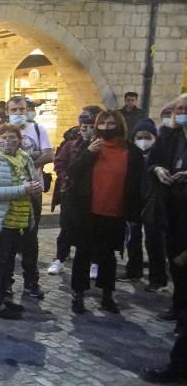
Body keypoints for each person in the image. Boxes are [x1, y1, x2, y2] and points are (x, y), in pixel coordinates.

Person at [65, 110, 143, 314]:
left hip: (115, 212)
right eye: (103, 123)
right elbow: (73, 171)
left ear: (119, 125)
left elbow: (137, 182)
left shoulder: (131, 151)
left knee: (108, 256)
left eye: (111, 124)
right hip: (87, 211)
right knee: (82, 254)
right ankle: (78, 294)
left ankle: (107, 295)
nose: (106, 128)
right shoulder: (91, 147)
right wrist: (89, 152)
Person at [0, 124, 42, 320]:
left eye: (12, 137)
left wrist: (35, 187)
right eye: (3, 137)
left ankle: (4, 300)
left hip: (18, 219)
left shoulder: (24, 157)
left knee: (7, 262)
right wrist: (22, 190)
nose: (8, 141)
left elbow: (31, 179)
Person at [0, 96, 53, 299]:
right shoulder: (0, 131)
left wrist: (25, 157)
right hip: (10, 192)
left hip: (33, 193)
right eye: (14, 109)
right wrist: (31, 156)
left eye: (21, 109)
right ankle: (7, 281)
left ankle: (31, 282)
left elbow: (49, 155)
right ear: (7, 111)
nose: (18, 113)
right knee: (8, 240)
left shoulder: (38, 130)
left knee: (30, 240)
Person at [48, 108, 101, 277]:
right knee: (66, 228)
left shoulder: (100, 146)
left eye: (91, 127)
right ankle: (60, 259)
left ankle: (94, 261)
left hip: (93, 194)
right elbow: (60, 164)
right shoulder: (70, 146)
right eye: (83, 127)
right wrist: (65, 178)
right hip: (71, 194)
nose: (86, 131)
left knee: (93, 230)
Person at [149, 94, 187, 327]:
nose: (181, 112)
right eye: (178, 109)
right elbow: (153, 162)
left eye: (185, 108)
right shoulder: (172, 137)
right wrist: (158, 170)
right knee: (175, 261)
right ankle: (178, 305)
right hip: (173, 209)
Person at [125, 119, 167, 290]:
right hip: (135, 202)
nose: (143, 140)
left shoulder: (161, 154)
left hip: (154, 203)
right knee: (132, 238)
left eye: (147, 136)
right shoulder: (131, 153)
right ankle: (134, 270)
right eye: (139, 136)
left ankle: (157, 278)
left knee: (154, 241)